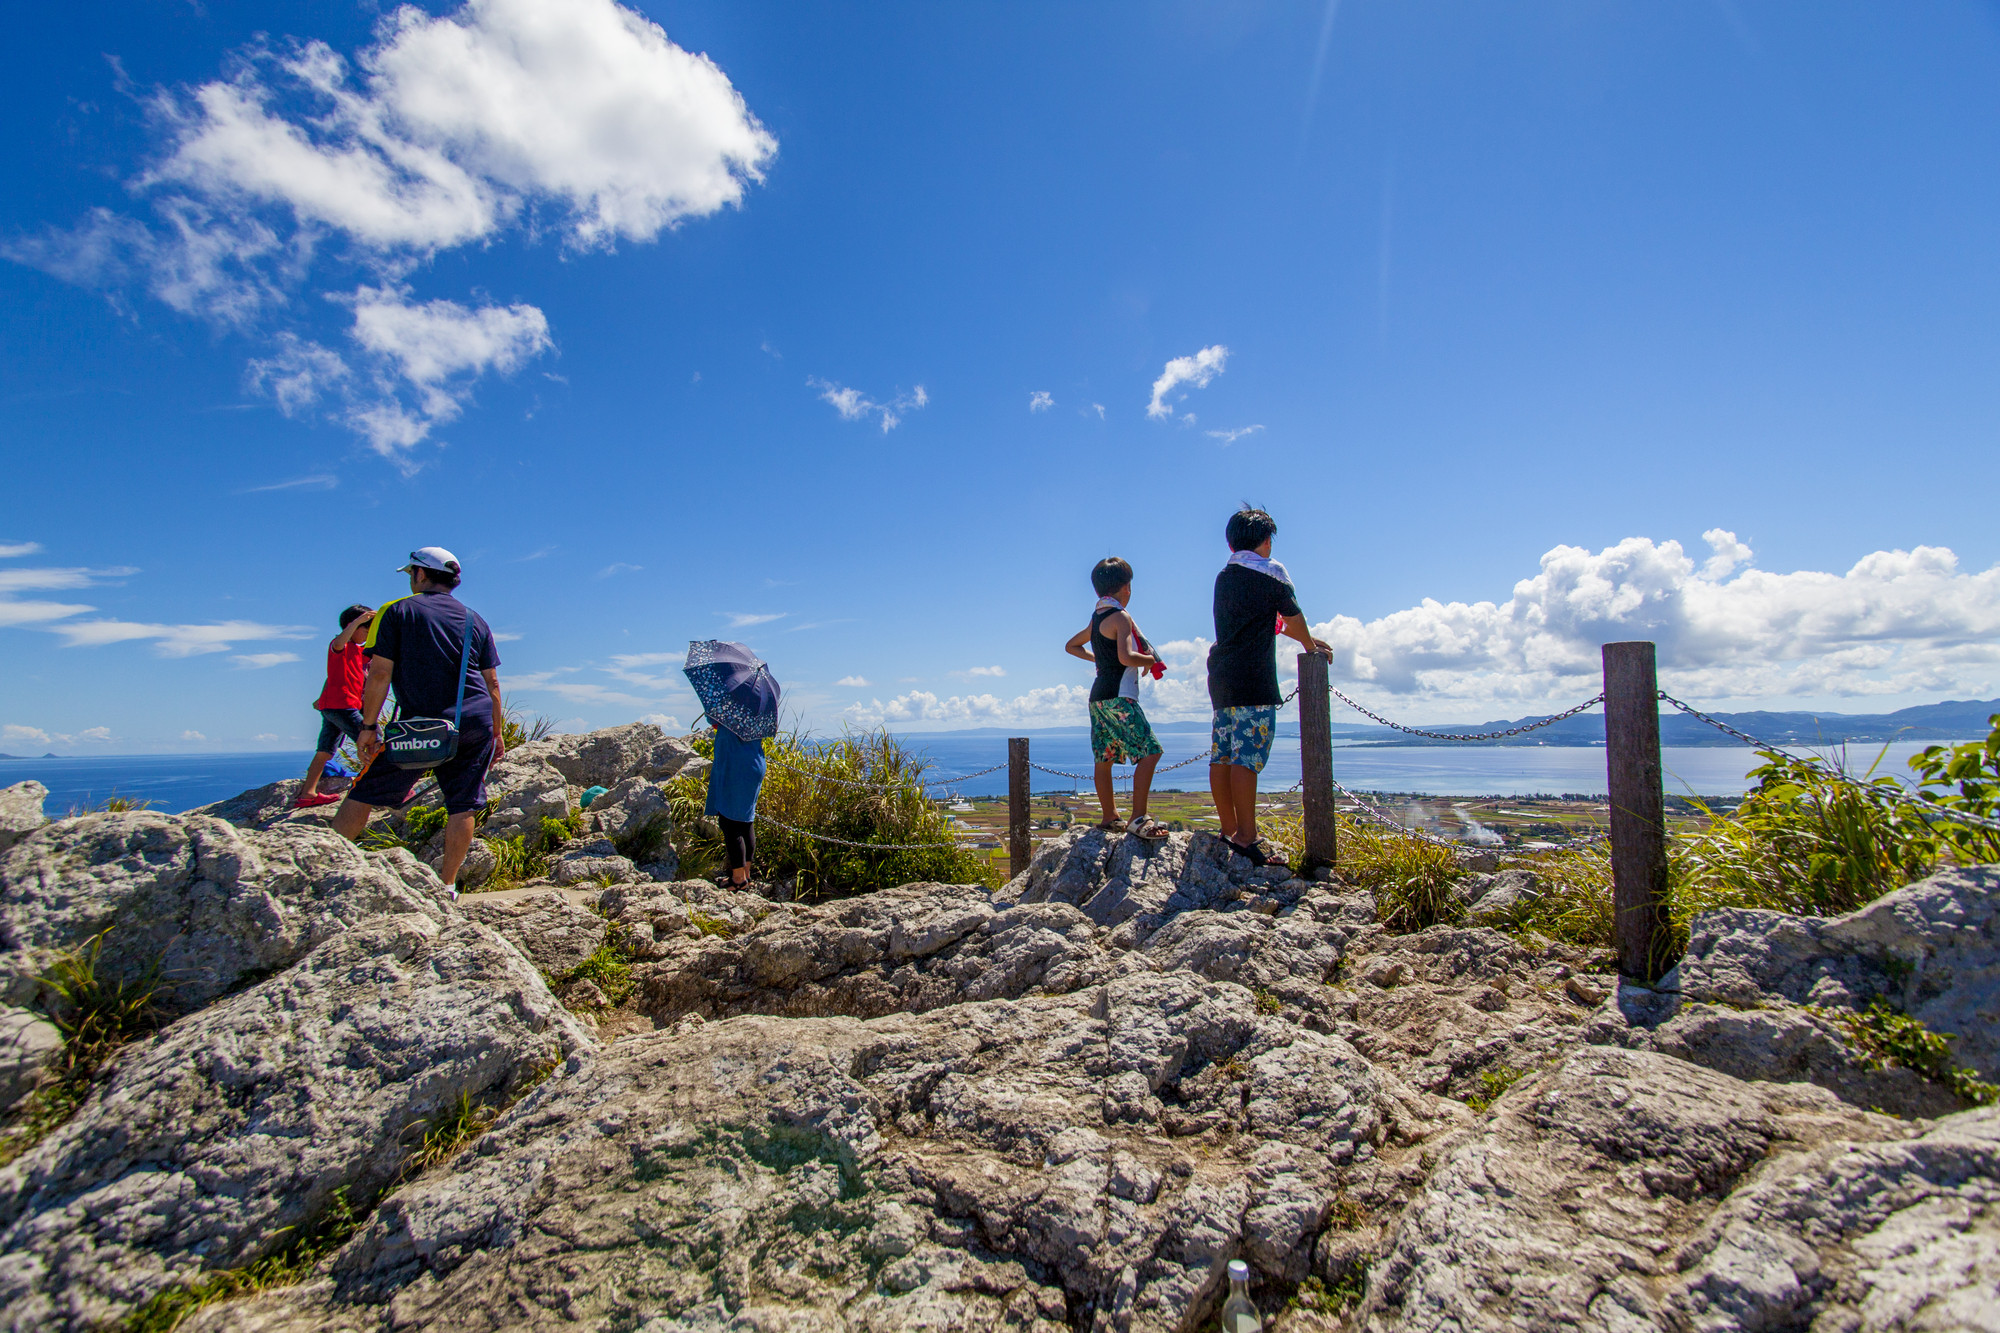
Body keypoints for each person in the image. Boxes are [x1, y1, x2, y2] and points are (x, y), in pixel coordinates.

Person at [333, 547, 505, 891]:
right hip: (473, 723)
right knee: (464, 803)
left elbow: (379, 673)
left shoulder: (397, 612)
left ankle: (328, 865)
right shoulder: (475, 619)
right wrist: (496, 733)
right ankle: (448, 886)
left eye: (412, 573)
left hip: (420, 728)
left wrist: (368, 727)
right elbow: (492, 683)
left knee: (364, 792)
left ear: (421, 575)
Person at [1207, 507, 1331, 864]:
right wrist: (1311, 646)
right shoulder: (1271, 574)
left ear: (1230, 542)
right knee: (1247, 757)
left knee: (1224, 754)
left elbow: (1268, 622)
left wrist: (1306, 638)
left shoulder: (1224, 576)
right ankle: (1247, 836)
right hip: (1253, 676)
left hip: (1222, 676)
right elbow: (1291, 616)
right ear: (1266, 541)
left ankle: (1229, 829)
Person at [1064, 556, 1168, 838]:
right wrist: (1147, 659)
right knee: (1151, 752)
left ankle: (1110, 816)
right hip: (1120, 696)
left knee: (1104, 757)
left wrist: (1098, 658)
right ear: (1126, 588)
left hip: (1098, 696)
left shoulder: (1097, 617)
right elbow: (1125, 657)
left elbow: (1071, 646)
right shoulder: (1121, 617)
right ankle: (1138, 818)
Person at [294, 604, 375, 808]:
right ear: (353, 626)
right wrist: (358, 620)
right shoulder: (340, 646)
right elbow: (340, 641)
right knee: (374, 740)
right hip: (343, 706)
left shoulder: (360, 652)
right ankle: (380, 788)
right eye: (366, 629)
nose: (367, 634)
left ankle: (308, 794)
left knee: (325, 751)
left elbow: (334, 677)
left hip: (333, 706)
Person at [705, 723, 765, 888]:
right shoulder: (758, 708)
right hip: (755, 762)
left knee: (729, 822)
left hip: (737, 766)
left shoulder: (733, 709)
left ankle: (738, 880)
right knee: (745, 821)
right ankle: (745, 874)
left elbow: (713, 720)